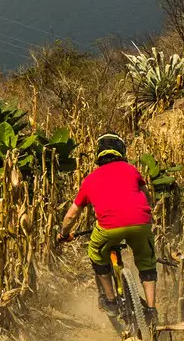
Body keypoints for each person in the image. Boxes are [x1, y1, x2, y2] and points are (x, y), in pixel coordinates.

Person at [57, 133, 156, 325]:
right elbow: (147, 197)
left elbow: (71, 215)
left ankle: (110, 300)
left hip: (109, 228)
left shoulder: (90, 179)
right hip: (141, 224)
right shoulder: (132, 170)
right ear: (121, 151)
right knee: (147, 262)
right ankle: (152, 310)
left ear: (98, 155)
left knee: (96, 252)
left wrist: (63, 233)